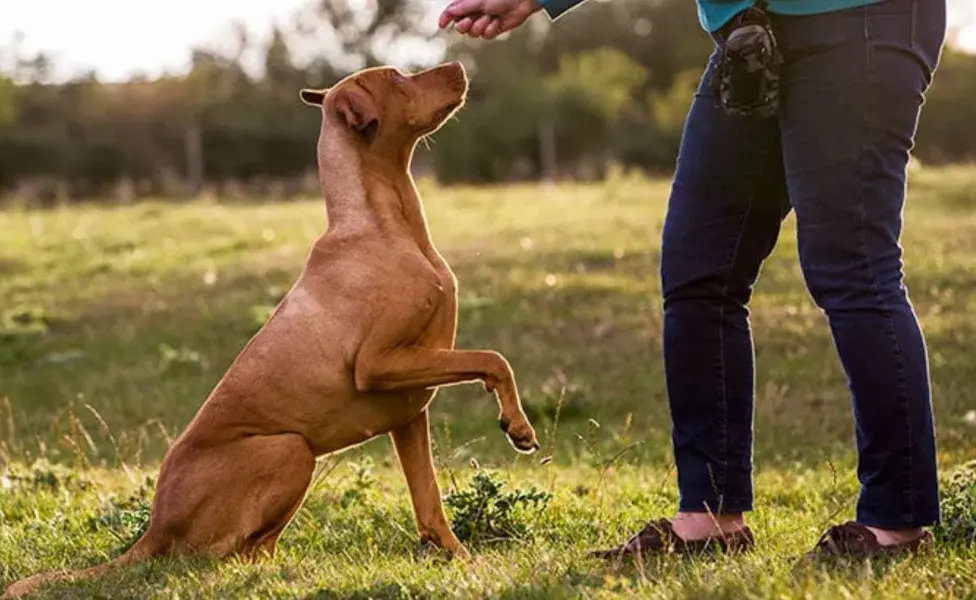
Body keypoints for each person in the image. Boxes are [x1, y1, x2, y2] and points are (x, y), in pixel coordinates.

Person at [439, 0, 946, 559]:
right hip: (751, 30)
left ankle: (895, 522)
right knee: (699, 270)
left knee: (852, 264)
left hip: (857, 19)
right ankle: (711, 517)